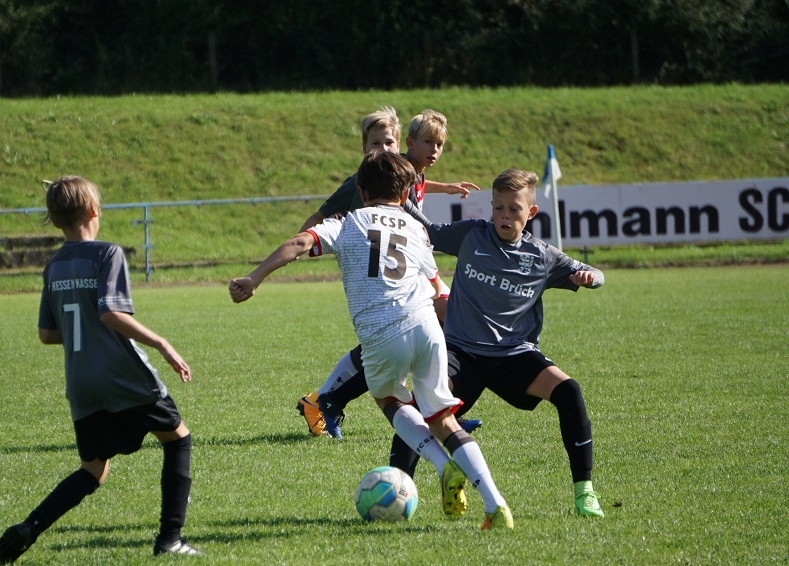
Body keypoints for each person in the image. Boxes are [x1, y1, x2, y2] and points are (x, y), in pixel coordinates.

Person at [231, 151, 513, 529]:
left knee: (389, 399)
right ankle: (496, 505)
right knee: (444, 419)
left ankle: (443, 466)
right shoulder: (417, 229)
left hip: (383, 333)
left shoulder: (347, 222)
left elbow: (299, 243)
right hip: (428, 329)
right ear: (405, 193)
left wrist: (254, 278)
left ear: (362, 191)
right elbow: (438, 293)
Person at [0, 175, 200, 564]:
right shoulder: (107, 253)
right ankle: (170, 539)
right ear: (93, 211)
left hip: (81, 382)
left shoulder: (53, 265)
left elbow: (47, 334)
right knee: (177, 439)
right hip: (121, 374)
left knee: (93, 469)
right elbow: (110, 313)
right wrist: (162, 343)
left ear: (54, 221)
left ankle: (28, 528)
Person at [403, 167, 606, 518]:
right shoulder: (472, 235)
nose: (505, 216)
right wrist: (400, 200)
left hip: (513, 355)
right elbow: (428, 230)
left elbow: (597, 273)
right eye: (498, 208)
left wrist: (590, 278)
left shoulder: (543, 256)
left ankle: (584, 493)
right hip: (461, 352)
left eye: (514, 209)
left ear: (531, 212)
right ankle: (400, 484)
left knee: (569, 391)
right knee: (421, 407)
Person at [296, 109, 482, 444]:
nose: (383, 149)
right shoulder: (367, 180)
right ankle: (332, 399)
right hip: (383, 272)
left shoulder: (406, 173)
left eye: (388, 143)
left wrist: (446, 188)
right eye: (375, 143)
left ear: (400, 145)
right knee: (430, 327)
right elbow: (322, 214)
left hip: (407, 267)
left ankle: (328, 399)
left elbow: (418, 183)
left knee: (422, 331)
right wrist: (301, 242)